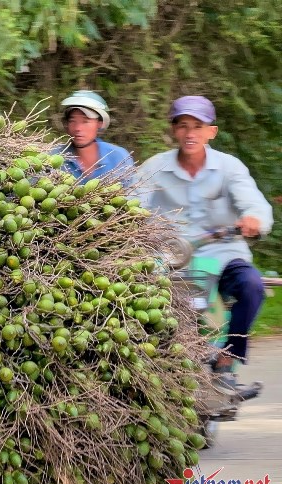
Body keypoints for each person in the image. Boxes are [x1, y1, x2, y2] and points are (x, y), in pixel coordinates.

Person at [136, 95, 273, 378]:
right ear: (174, 130)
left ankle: (229, 355)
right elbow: (130, 203)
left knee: (252, 286)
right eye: (183, 125)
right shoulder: (155, 167)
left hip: (223, 256)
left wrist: (254, 220)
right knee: (147, 307)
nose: (190, 133)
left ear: (212, 131)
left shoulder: (229, 167)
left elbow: (255, 204)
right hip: (173, 260)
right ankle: (159, 368)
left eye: (198, 126)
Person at [57, 90, 134, 180]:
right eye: (72, 121)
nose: (78, 128)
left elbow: (133, 192)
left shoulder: (119, 158)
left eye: (85, 121)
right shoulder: (54, 158)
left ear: (99, 123)